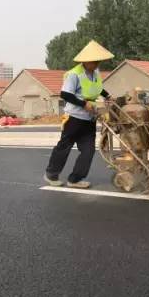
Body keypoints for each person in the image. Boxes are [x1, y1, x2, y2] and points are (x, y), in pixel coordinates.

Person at [44, 40, 114, 189]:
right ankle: (51, 174)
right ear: (85, 61)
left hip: (89, 118)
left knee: (89, 150)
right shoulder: (74, 75)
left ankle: (75, 179)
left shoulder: (95, 72)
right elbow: (65, 94)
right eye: (94, 61)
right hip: (74, 118)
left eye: (98, 61)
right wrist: (84, 104)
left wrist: (108, 96)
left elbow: (98, 88)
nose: (97, 64)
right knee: (64, 146)